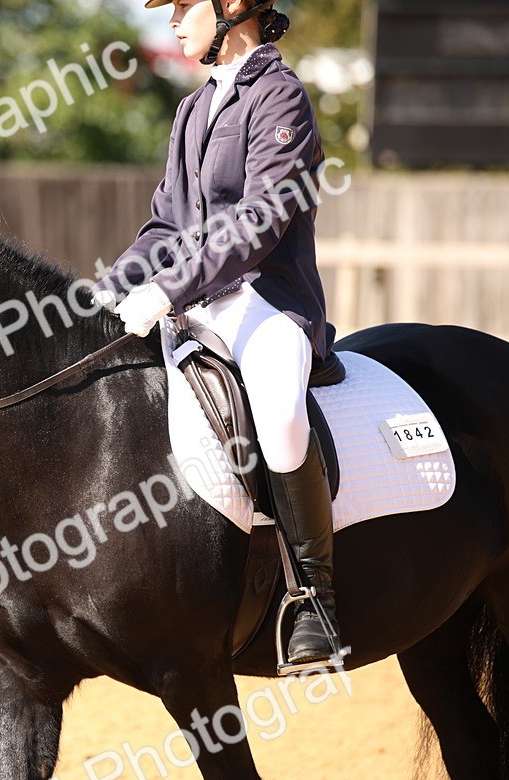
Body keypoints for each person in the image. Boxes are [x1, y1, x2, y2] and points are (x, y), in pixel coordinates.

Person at [90, 0, 344, 666]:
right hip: (197, 301)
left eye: (182, 6)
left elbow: (261, 220)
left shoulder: (280, 98)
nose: (172, 22)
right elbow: (165, 226)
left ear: (232, 7)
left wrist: (168, 289)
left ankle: (314, 595)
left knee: (281, 409)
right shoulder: (193, 109)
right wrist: (112, 288)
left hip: (267, 300)